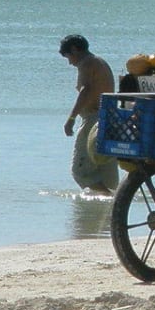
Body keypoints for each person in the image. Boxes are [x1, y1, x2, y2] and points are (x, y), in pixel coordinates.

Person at [60, 34, 119, 195]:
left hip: (94, 120)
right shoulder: (100, 62)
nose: (70, 62)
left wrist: (71, 118)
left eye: (69, 57)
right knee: (108, 178)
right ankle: (109, 210)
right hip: (108, 120)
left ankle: (108, 197)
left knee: (80, 172)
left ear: (75, 50)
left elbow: (85, 91)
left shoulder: (86, 63)